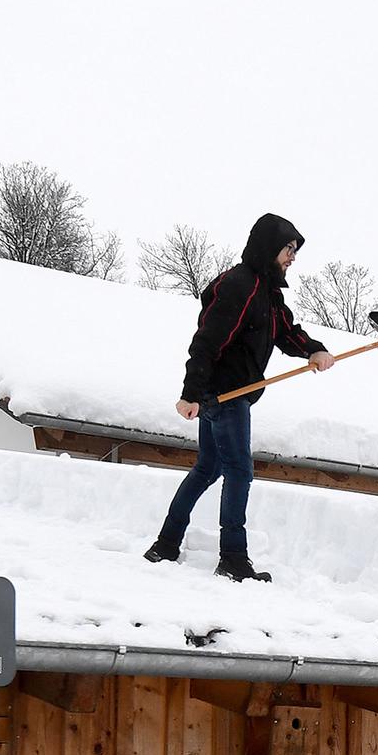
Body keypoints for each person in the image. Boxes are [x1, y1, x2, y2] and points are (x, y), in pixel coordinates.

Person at [145, 213, 336, 582]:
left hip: (229, 395)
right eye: (288, 249)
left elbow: (286, 332)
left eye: (294, 251)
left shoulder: (266, 292)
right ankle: (233, 557)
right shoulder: (240, 286)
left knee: (208, 468)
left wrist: (315, 350)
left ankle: (166, 544)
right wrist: (191, 393)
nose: (292, 257)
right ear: (269, 247)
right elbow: (206, 341)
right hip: (225, 396)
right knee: (239, 471)